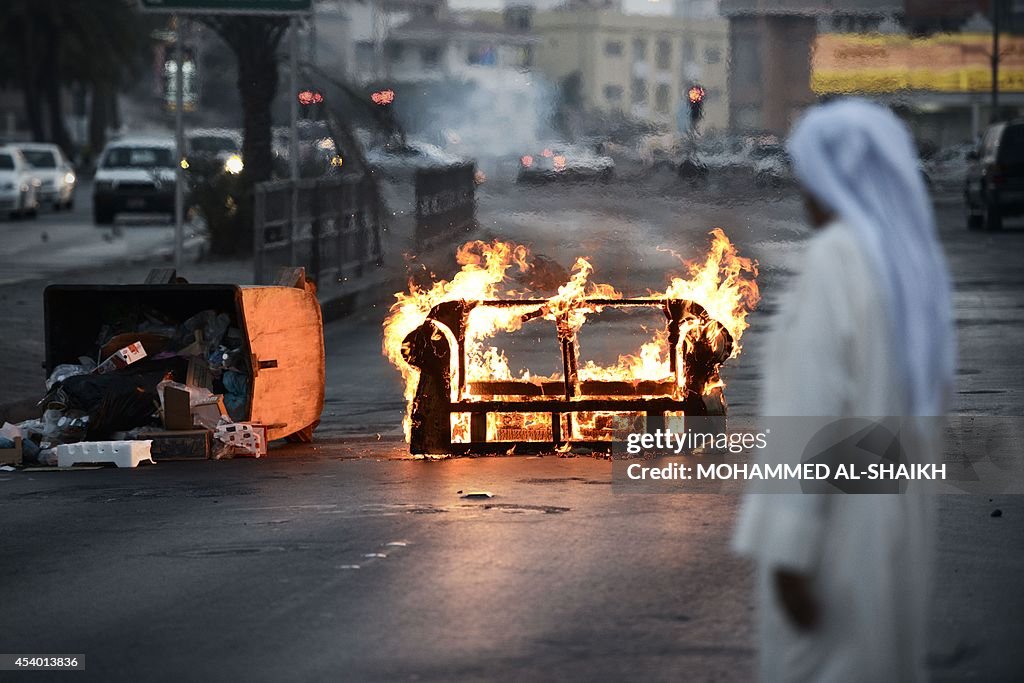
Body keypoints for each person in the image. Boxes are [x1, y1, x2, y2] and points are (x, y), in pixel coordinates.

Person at [732, 99, 956, 682]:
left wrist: (788, 545)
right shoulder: (910, 266)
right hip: (890, 520)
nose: (803, 193)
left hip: (834, 532)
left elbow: (811, 412)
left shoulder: (837, 259)